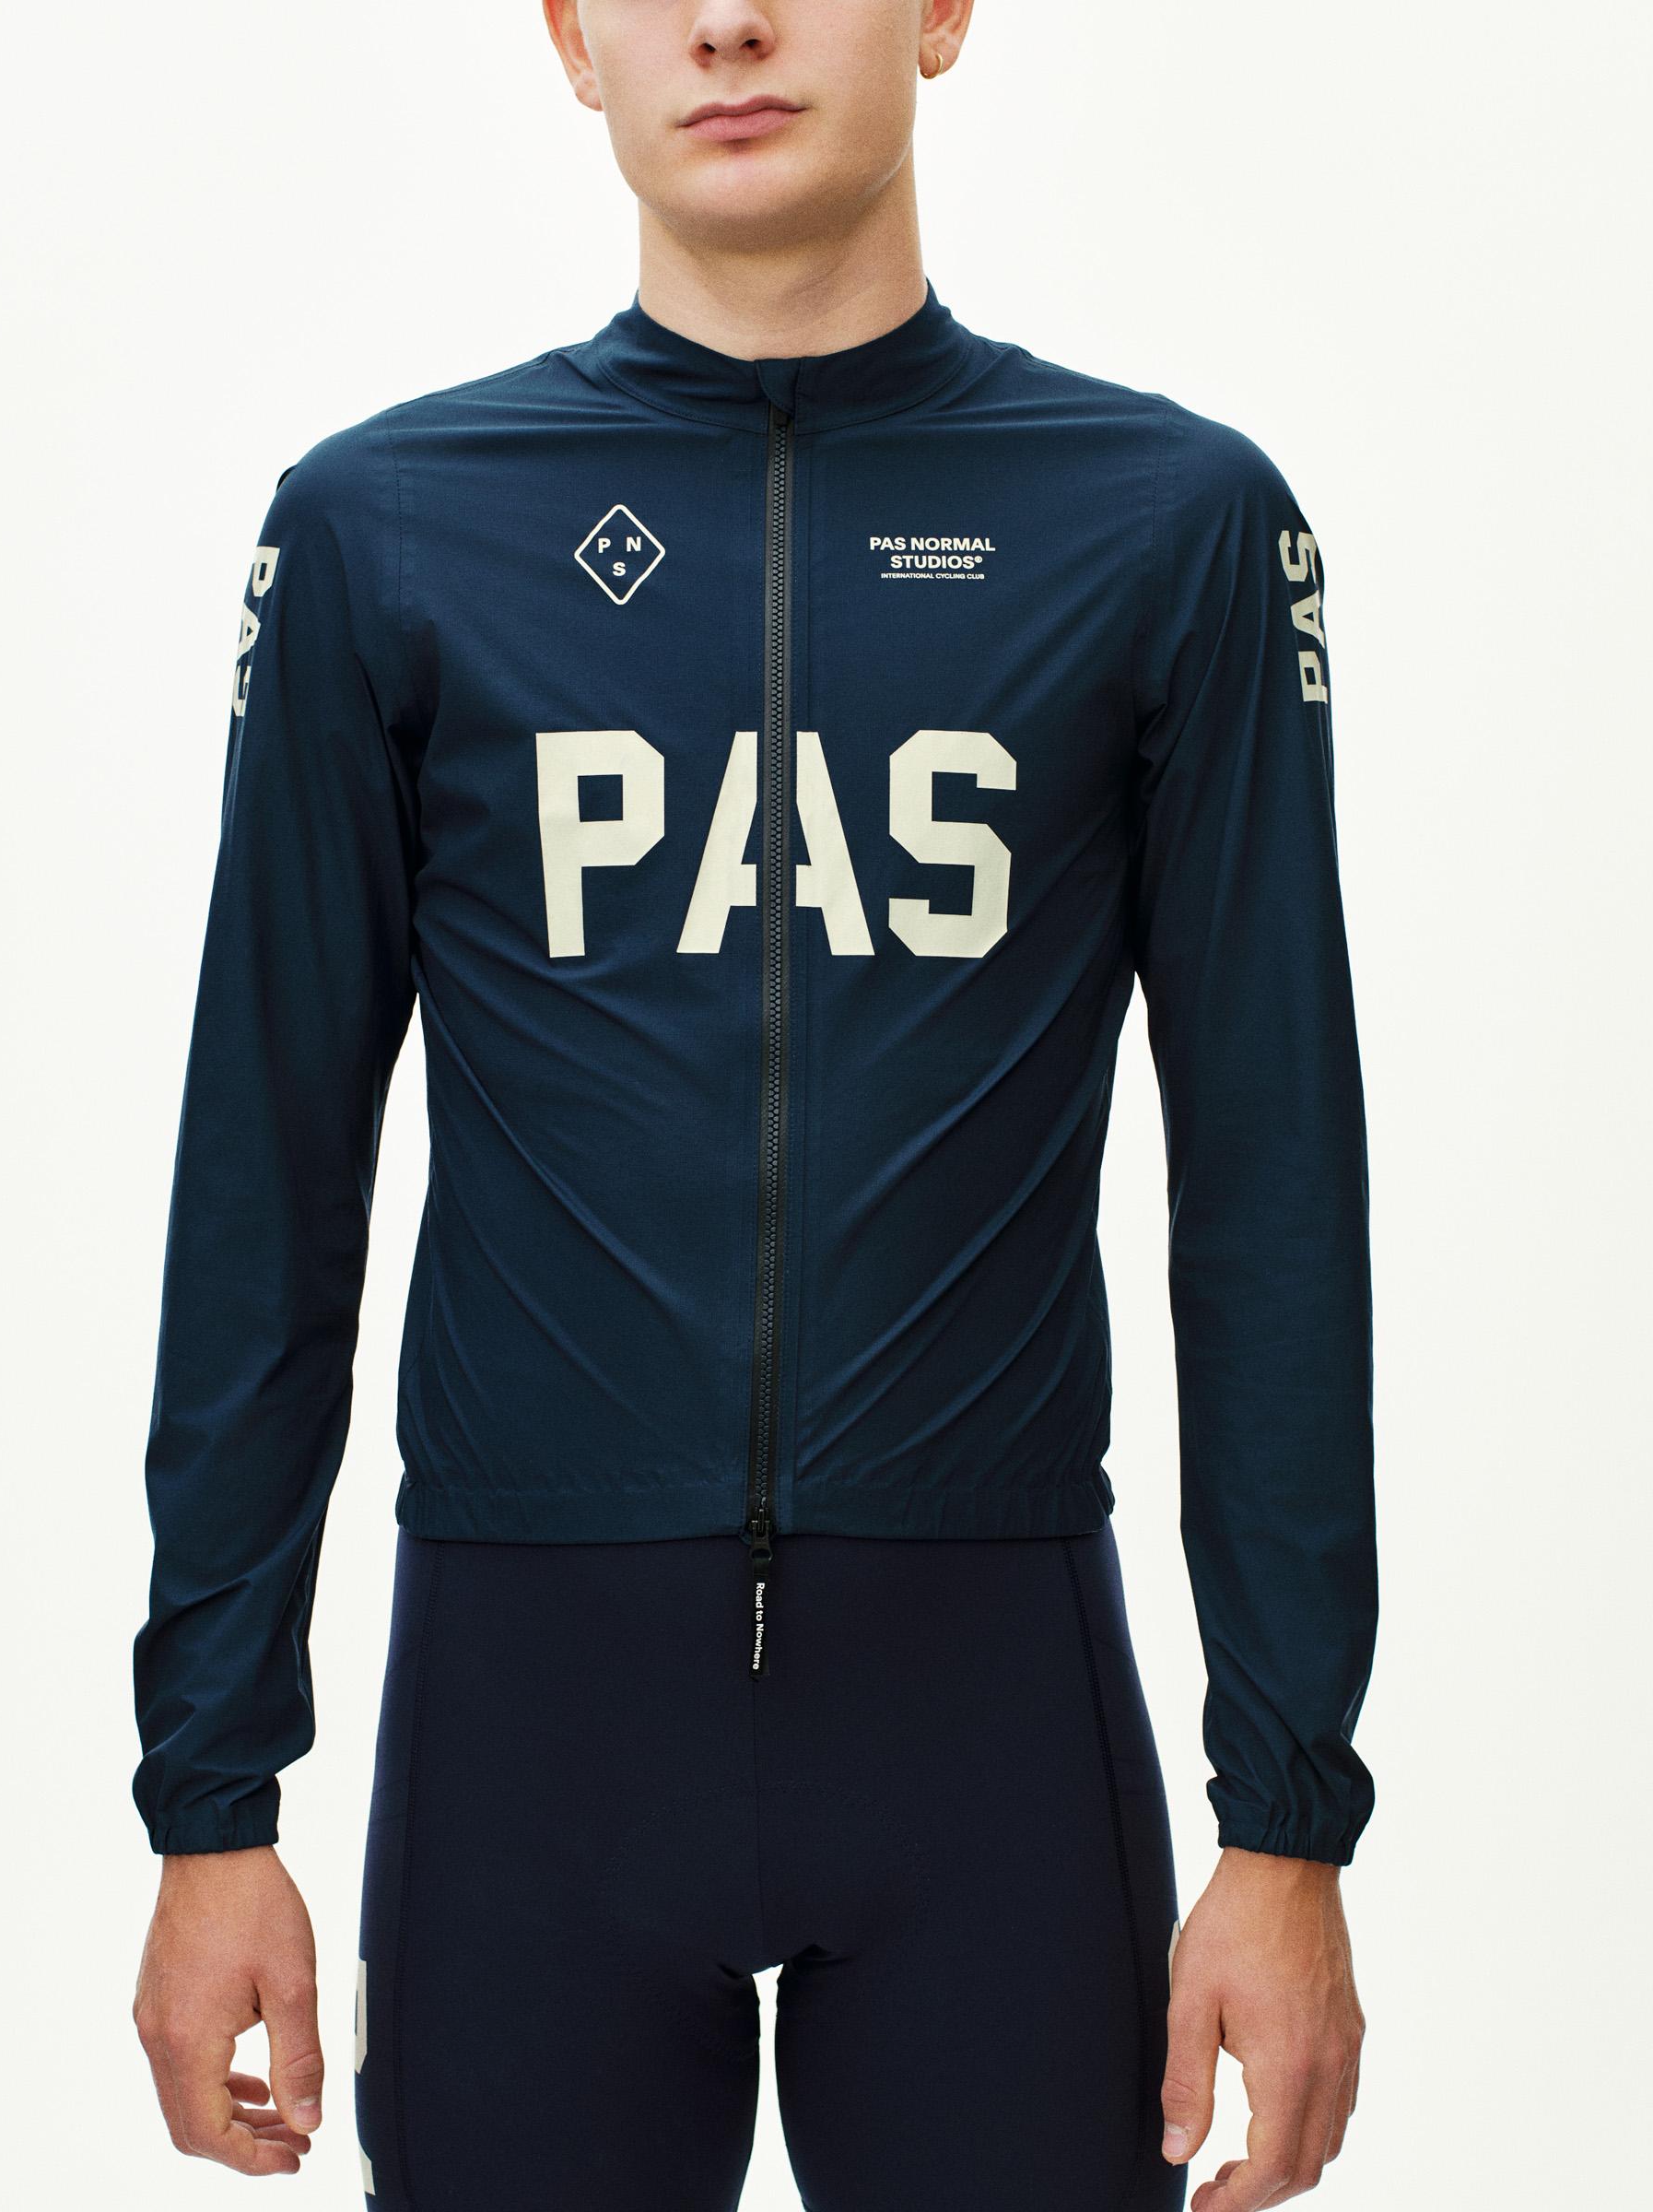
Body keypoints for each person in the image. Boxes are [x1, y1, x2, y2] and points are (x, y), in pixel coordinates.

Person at [130, 4, 1376, 2207]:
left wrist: (1286, 1825)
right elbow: (269, 1180)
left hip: (988, 1723)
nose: (726, 21)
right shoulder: (386, 533)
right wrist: (210, 1798)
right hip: (532, 1735)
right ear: (570, 38)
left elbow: (1274, 1194)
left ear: (943, 11)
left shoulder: (1166, 526)